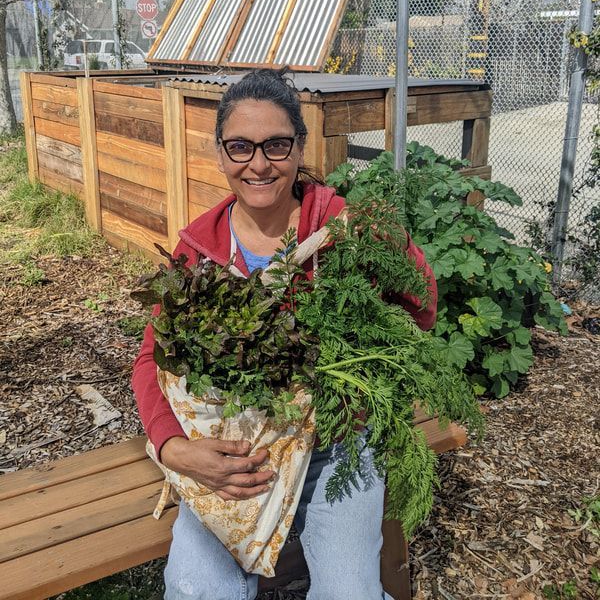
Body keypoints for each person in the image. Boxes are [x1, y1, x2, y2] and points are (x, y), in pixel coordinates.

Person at [132, 69, 437, 600]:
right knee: (195, 589)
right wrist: (175, 448)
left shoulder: (340, 229)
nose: (258, 163)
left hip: (335, 441)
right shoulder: (199, 249)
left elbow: (422, 309)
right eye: (240, 147)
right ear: (221, 153)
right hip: (235, 450)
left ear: (298, 147)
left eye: (275, 145)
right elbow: (150, 361)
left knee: (350, 594)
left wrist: (393, 242)